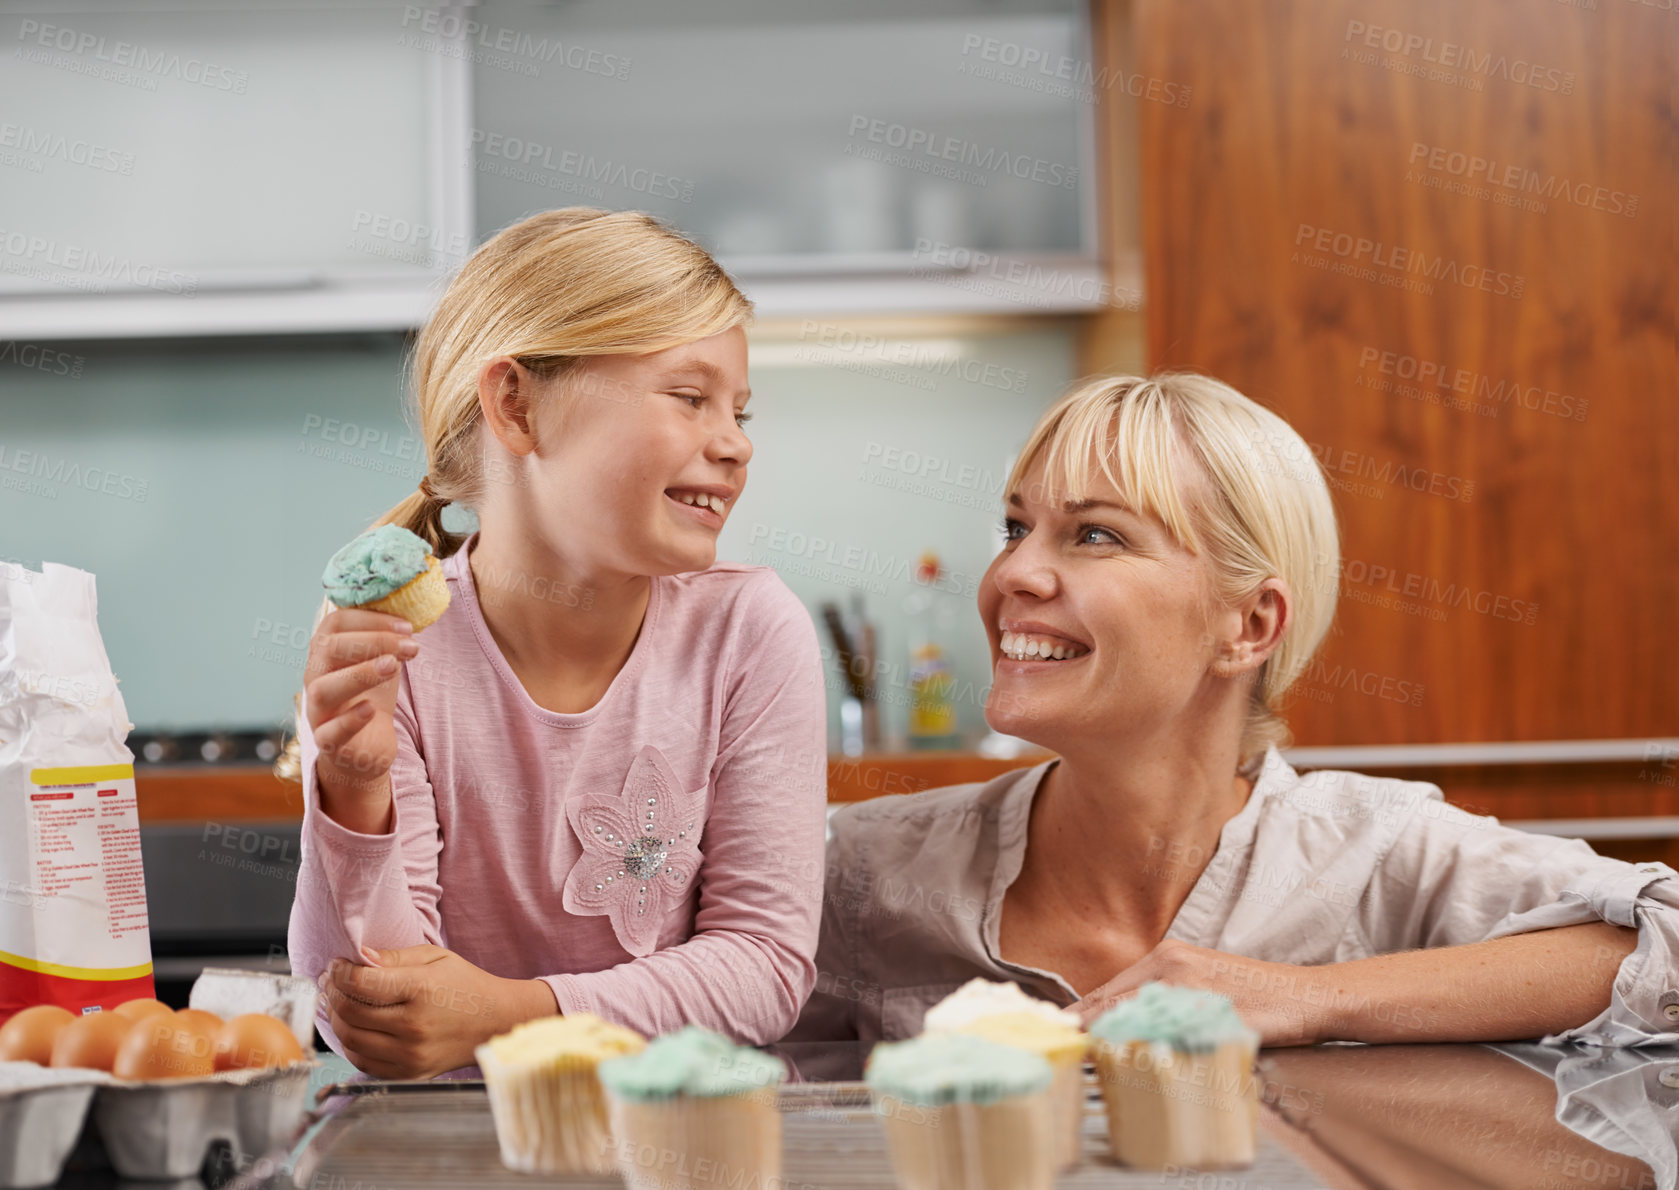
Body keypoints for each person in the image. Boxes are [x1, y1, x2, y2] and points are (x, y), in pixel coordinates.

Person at [783, 372, 1679, 1078]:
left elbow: (1667, 943)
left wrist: (1306, 1001)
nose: (1014, 572)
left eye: (1094, 535)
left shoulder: (1375, 854)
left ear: (1247, 626)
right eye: (1015, 527)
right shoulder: (864, 873)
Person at [279, 208, 827, 1079]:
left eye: (739, 410)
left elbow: (764, 969)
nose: (734, 445)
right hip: (446, 1147)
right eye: (690, 398)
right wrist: (354, 787)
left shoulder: (750, 633)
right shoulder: (394, 642)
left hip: (674, 1135)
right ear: (517, 405)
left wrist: (514, 1013)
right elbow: (367, 1019)